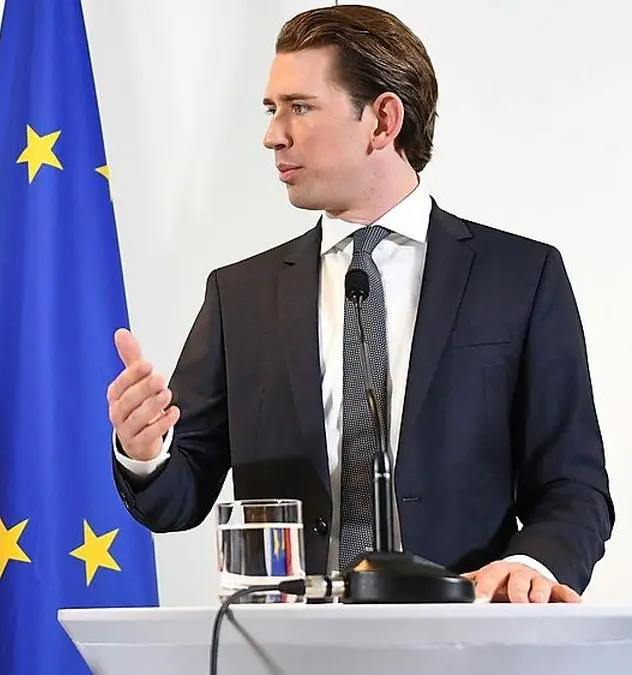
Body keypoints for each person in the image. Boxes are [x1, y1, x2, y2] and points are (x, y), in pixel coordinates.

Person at [108, 4, 613, 603]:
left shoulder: (520, 278)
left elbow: (573, 486)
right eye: (272, 110)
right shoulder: (240, 295)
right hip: (287, 641)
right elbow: (179, 497)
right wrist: (145, 452)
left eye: (299, 107)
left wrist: (530, 564)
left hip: (463, 631)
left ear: (382, 121)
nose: (273, 135)